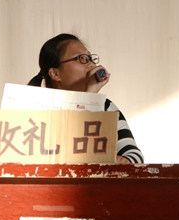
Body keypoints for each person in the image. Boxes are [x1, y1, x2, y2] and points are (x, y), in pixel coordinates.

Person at [28, 33, 144, 164]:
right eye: (81, 58)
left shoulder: (105, 107)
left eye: (90, 58)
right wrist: (90, 95)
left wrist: (122, 161)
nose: (90, 64)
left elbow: (135, 155)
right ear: (55, 73)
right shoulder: (36, 109)